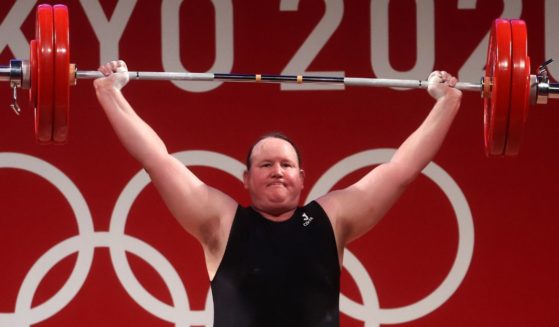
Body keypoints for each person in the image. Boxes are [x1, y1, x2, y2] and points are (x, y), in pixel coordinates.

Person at [94, 60, 462, 326]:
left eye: (286, 165)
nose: (277, 172)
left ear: (302, 178)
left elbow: (400, 171)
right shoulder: (221, 222)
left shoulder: (331, 219)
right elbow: (157, 161)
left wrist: (448, 102)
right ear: (246, 178)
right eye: (265, 165)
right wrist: (110, 94)